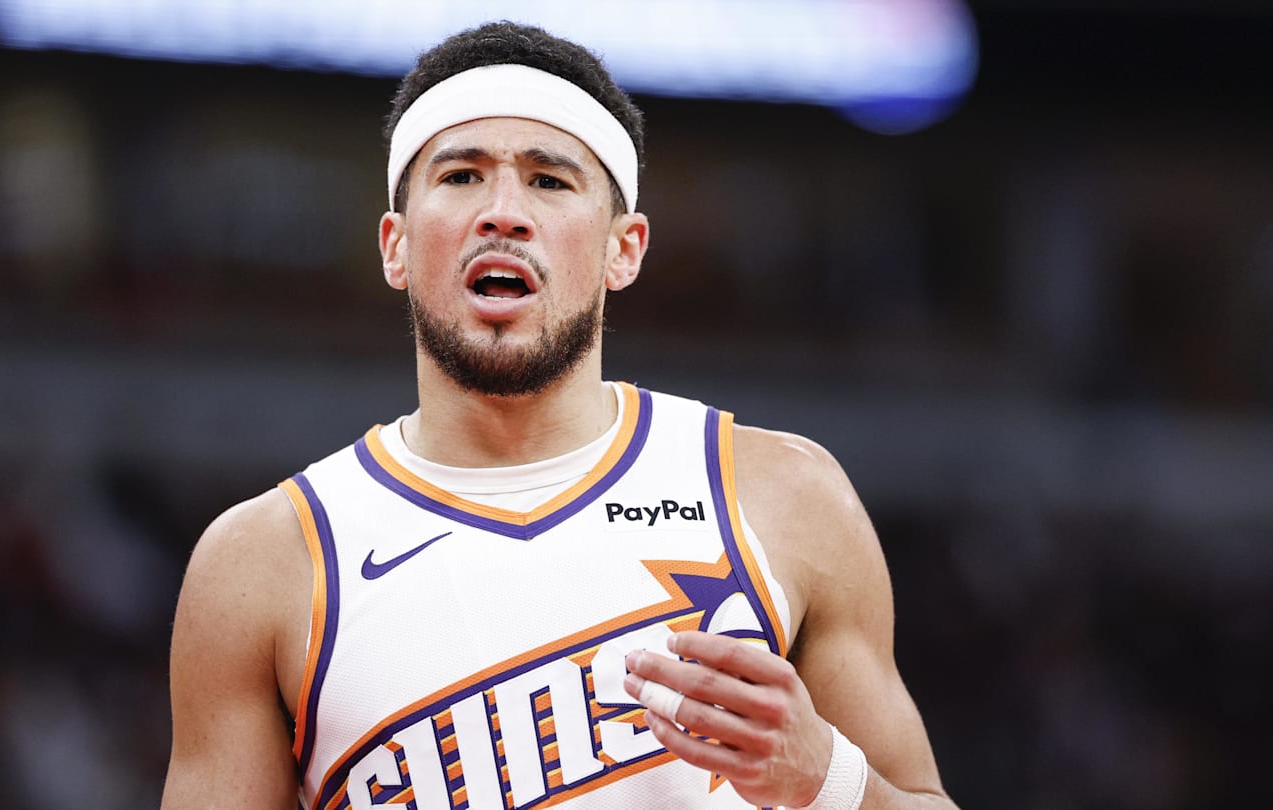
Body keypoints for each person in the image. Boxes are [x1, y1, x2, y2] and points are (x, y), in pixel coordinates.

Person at [162, 20, 957, 810]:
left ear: (626, 249)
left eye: (550, 181)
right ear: (395, 247)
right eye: (462, 176)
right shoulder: (264, 563)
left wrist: (833, 780)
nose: (503, 212)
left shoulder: (785, 497)